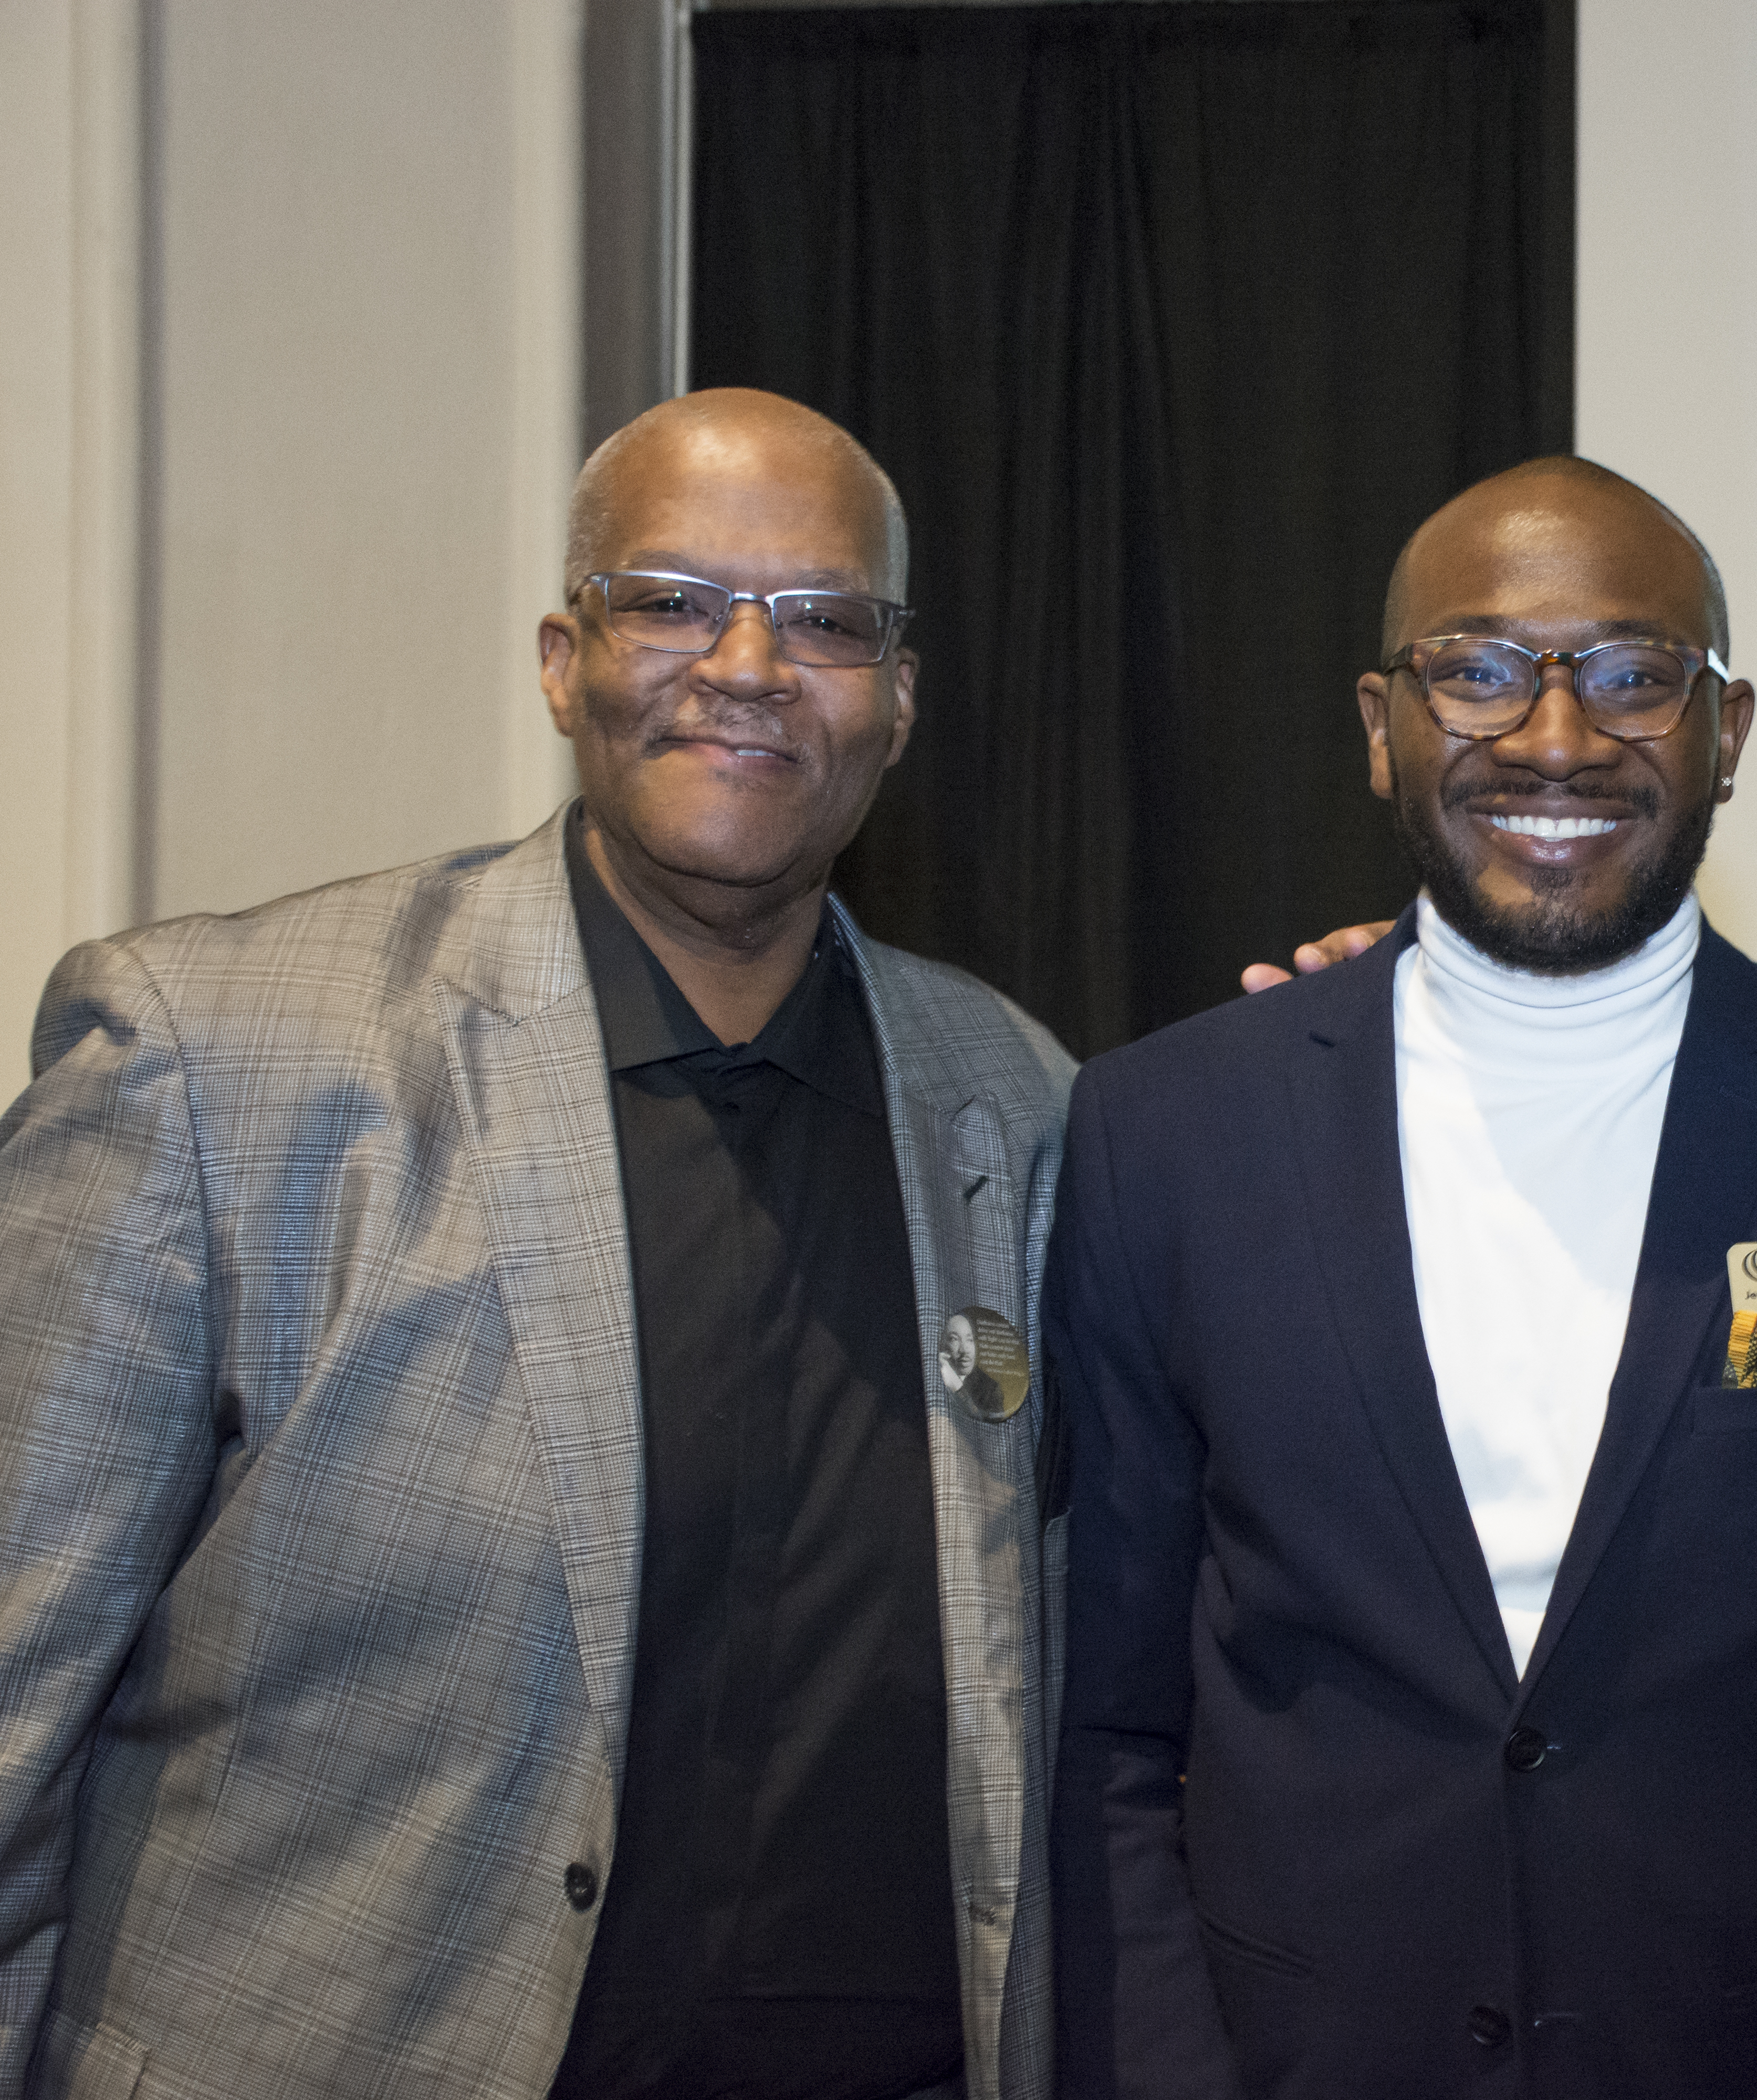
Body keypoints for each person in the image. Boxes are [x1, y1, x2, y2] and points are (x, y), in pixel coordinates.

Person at [0, 390, 1076, 2100]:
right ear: (564, 659)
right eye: (669, 601)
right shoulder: (218, 1061)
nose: (747, 663)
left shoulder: (1019, 1108)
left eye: (826, 621)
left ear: (900, 699)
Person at [1052, 458, 1757, 2098]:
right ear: (1380, 723)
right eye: (1476, 671)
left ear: (1726, 733)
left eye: (1630, 674)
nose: (1553, 738)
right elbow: (1103, 1737)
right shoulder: (1160, 1134)